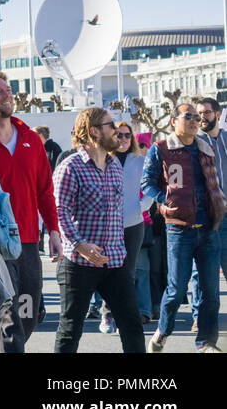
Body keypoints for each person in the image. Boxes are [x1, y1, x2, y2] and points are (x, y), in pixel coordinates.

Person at [0, 71, 62, 351]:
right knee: (7, 317)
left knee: (28, 313)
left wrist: (54, 231)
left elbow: (45, 190)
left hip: (29, 242)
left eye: (8, 90)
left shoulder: (32, 140)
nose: (7, 94)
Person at [52, 108, 145, 353]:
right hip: (80, 263)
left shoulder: (115, 165)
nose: (116, 131)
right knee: (71, 328)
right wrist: (81, 245)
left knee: (132, 325)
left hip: (115, 261)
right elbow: (60, 212)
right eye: (110, 125)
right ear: (94, 131)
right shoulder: (70, 166)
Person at [141, 102, 225, 352]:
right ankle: (163, 332)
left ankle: (205, 343)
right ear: (173, 121)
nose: (194, 120)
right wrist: (163, 200)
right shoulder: (161, 149)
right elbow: (147, 183)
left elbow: (214, 182)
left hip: (209, 227)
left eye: (195, 117)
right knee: (177, 289)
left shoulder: (205, 148)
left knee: (211, 291)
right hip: (179, 229)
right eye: (187, 116)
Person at [95, 119, 149, 335]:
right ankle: (107, 313)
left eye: (128, 135)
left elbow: (152, 187)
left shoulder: (140, 161)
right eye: (119, 135)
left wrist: (142, 206)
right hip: (108, 225)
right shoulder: (105, 160)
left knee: (128, 271)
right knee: (108, 270)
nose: (124, 139)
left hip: (134, 224)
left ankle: (122, 316)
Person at [189, 96, 227, 334]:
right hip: (205, 215)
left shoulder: (225, 139)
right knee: (202, 269)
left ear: (218, 115)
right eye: (198, 113)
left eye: (206, 112)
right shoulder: (193, 142)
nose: (202, 117)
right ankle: (198, 317)